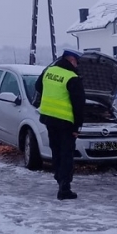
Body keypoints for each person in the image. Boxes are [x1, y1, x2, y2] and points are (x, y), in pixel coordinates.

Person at [33, 48, 86, 200]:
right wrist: (77, 126)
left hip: (49, 118)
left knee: (56, 150)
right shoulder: (72, 77)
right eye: (77, 62)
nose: (78, 65)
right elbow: (79, 104)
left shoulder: (49, 71)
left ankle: (58, 176)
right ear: (72, 60)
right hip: (66, 122)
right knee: (67, 154)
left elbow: (38, 87)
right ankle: (64, 188)